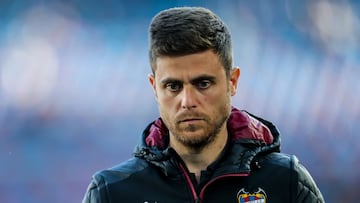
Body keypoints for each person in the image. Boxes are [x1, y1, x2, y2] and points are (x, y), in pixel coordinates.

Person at [82, 7, 324, 203]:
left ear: (232, 81)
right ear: (154, 87)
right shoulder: (112, 192)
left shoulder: (287, 183)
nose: (187, 102)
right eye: (173, 86)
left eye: (203, 83)